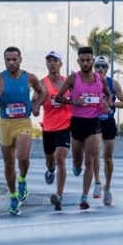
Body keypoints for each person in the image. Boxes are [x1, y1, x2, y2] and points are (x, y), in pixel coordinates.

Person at [0, 46, 46, 215]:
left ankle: (22, 180)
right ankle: (13, 197)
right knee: (9, 164)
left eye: (14, 59)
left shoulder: (30, 78)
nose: (11, 63)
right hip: (5, 124)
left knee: (23, 158)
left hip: (23, 123)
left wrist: (35, 105)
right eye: (7, 60)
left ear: (20, 60)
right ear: (4, 60)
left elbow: (43, 94)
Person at [55, 47, 111, 210]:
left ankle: (84, 197)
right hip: (77, 123)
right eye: (82, 60)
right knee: (78, 161)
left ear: (92, 61)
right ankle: (76, 166)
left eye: (88, 60)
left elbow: (107, 94)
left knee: (90, 159)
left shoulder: (101, 79)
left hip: (94, 123)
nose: (85, 63)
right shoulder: (73, 79)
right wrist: (73, 102)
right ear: (78, 61)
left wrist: (106, 104)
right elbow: (59, 97)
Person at [33, 51, 72, 211]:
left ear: (61, 64)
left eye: (55, 60)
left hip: (66, 125)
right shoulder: (42, 84)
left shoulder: (68, 82)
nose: (51, 63)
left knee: (60, 158)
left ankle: (59, 195)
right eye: (48, 61)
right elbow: (33, 104)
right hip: (49, 127)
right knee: (51, 160)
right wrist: (34, 109)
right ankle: (50, 170)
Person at [92, 55, 123, 206]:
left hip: (108, 122)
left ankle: (107, 187)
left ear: (107, 68)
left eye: (103, 66)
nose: (100, 69)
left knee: (107, 157)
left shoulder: (113, 84)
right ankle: (97, 183)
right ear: (94, 68)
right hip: (94, 121)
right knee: (94, 152)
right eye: (98, 66)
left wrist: (112, 104)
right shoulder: (88, 83)